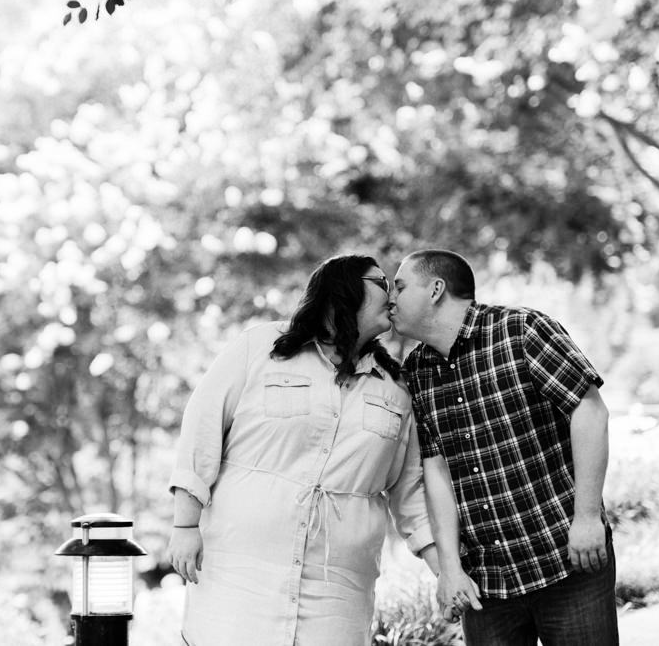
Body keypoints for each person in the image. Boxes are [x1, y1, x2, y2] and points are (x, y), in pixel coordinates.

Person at [167, 254, 473, 646]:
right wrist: (185, 524)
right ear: (342, 289)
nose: (393, 294)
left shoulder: (397, 386)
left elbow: (411, 493)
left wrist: (445, 571)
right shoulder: (260, 347)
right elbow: (201, 428)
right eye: (382, 282)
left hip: (337, 593)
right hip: (239, 580)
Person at [390, 249, 619, 646]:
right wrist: (450, 568)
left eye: (400, 286)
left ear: (435, 290)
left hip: (565, 559)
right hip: (488, 586)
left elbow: (590, 413)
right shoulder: (417, 370)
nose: (392, 299)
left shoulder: (522, 330)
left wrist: (586, 517)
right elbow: (437, 469)